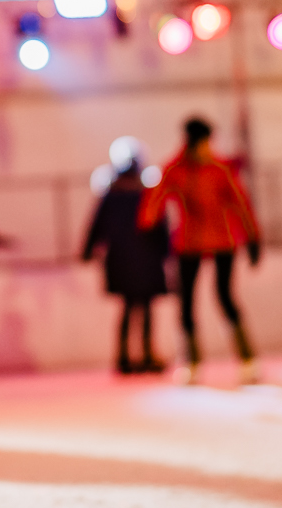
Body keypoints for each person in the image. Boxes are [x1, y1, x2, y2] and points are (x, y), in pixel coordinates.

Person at [140, 117, 263, 385]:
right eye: (206, 142)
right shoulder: (177, 169)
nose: (209, 147)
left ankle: (247, 359)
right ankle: (191, 362)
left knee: (225, 297)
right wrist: (146, 226)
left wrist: (253, 237)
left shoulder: (218, 169)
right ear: (195, 142)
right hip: (190, 243)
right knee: (186, 302)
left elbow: (240, 202)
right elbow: (155, 198)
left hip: (222, 240)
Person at [82, 161, 169, 375]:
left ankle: (124, 357)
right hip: (146, 260)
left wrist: (88, 251)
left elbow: (96, 226)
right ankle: (146, 355)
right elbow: (160, 227)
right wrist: (166, 252)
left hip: (121, 260)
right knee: (145, 309)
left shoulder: (111, 198)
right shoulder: (146, 196)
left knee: (128, 309)